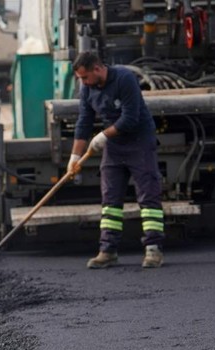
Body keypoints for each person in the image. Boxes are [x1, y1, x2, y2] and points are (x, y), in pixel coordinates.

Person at [67, 51, 165, 269]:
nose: (83, 82)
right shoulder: (87, 88)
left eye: (85, 77)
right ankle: (108, 250)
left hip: (139, 142)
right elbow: (84, 122)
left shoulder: (124, 78)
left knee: (148, 197)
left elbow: (130, 118)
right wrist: (74, 157)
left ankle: (153, 249)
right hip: (114, 147)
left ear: (97, 69)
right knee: (110, 199)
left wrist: (102, 136)